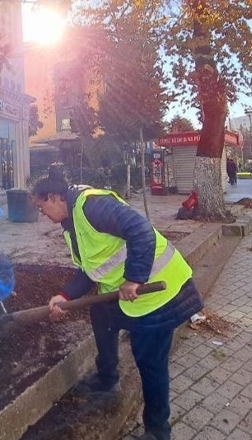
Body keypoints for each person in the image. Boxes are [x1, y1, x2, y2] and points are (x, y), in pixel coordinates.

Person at [33, 167, 204, 440]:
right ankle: (107, 379)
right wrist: (64, 296)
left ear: (54, 197)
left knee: (150, 363)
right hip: (129, 294)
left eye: (42, 208)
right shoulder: (72, 223)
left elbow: (141, 230)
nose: (43, 215)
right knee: (101, 315)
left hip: (160, 291)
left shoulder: (92, 206)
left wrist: (134, 277)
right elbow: (92, 269)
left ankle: (158, 431)